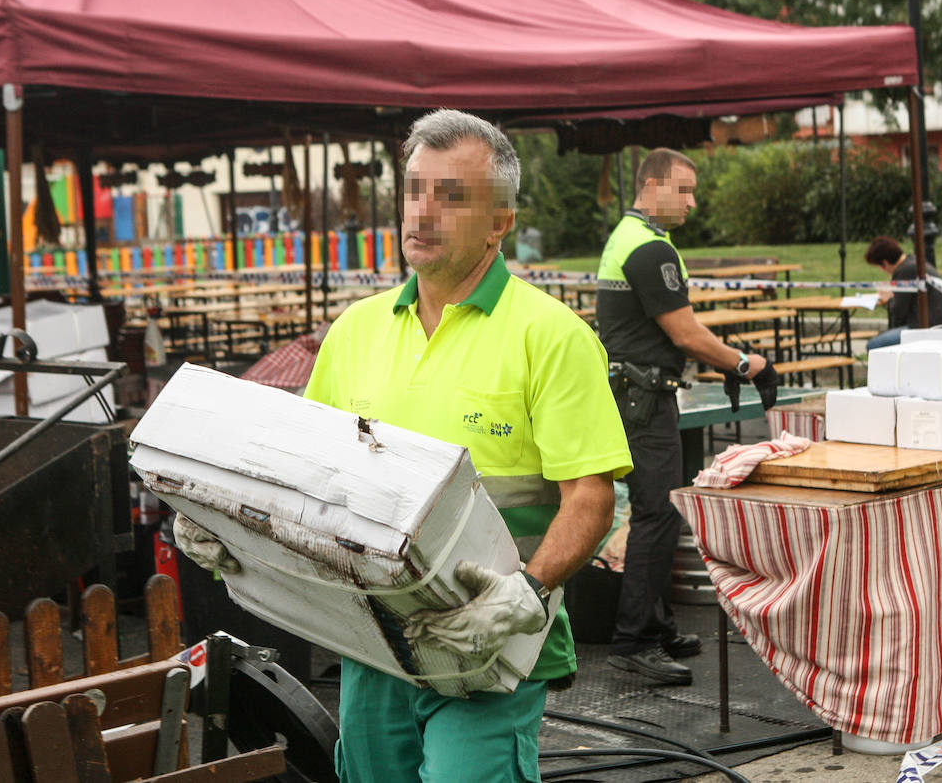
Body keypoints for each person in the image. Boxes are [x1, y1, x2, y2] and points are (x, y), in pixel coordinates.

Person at [177, 109, 633, 782]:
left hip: (488, 642)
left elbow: (591, 498)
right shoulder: (355, 332)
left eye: (451, 196)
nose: (422, 211)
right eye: (414, 190)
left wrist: (525, 594)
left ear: (500, 222)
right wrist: (229, 528)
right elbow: (301, 478)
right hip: (369, 637)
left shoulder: (552, 336)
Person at [596, 148, 769, 685]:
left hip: (634, 392)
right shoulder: (649, 248)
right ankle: (634, 642)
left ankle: (655, 623)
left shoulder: (632, 236)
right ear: (652, 186)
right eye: (685, 190)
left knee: (659, 510)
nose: (693, 202)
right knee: (656, 513)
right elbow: (686, 334)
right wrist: (744, 363)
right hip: (644, 397)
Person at [863, 235, 942, 349]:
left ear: (884, 263)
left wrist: (889, 298)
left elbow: (898, 312)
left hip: (929, 327)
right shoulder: (914, 262)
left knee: (874, 345)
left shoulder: (904, 271)